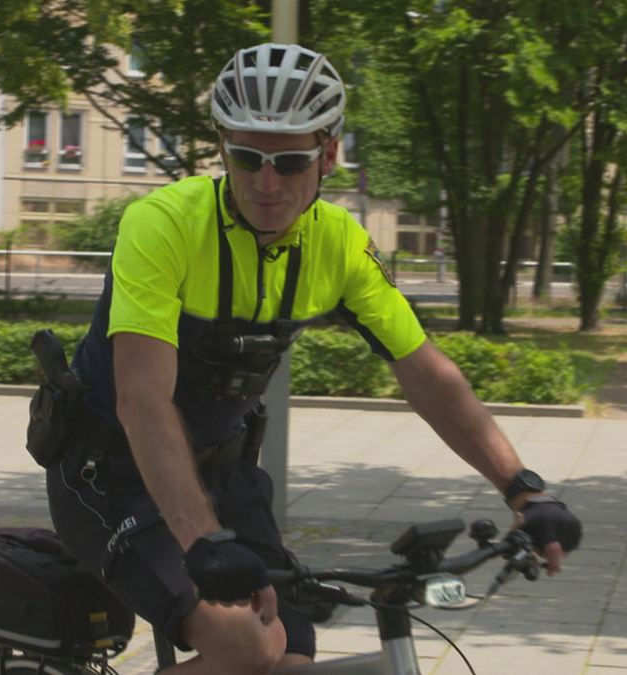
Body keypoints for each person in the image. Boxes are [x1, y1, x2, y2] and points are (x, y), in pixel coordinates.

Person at [46, 42, 582, 675]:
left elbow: (429, 377)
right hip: (108, 473)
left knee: (292, 657)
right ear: (222, 146)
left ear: (329, 154)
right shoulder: (162, 226)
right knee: (244, 646)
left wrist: (524, 492)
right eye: (246, 157)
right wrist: (201, 540)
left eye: (291, 161)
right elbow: (142, 399)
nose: (265, 184)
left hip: (224, 474)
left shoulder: (339, 245)